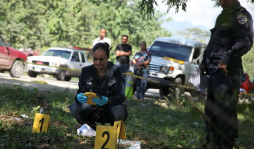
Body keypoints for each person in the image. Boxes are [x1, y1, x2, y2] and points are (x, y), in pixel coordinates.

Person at [199, 0, 253, 148]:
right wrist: (204, 61)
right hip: (213, 70)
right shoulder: (221, 17)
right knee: (211, 109)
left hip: (227, 71)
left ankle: (226, 144)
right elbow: (213, 42)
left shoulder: (241, 16)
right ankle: (212, 143)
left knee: (225, 110)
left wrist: (226, 58)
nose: (221, 2)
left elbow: (245, 42)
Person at [69, 42, 128, 131]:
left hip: (110, 108)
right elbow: (80, 91)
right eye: (95, 59)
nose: (98, 62)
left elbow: (121, 96)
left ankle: (113, 131)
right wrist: (79, 96)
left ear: (108, 57)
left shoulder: (116, 71)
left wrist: (107, 100)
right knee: (75, 108)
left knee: (120, 111)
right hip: (92, 108)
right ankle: (90, 127)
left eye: (101, 59)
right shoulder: (86, 71)